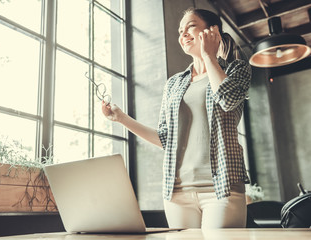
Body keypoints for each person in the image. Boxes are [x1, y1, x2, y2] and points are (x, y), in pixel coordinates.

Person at [101, 8, 251, 229]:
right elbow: (165, 139)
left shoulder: (236, 68)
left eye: (190, 26)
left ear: (213, 31)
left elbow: (227, 99)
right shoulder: (174, 83)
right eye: (180, 31)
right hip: (178, 192)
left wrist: (209, 56)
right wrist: (121, 118)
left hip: (222, 188)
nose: (183, 35)